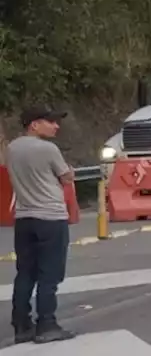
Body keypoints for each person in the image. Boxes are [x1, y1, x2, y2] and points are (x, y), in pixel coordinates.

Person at [8, 107, 76, 344]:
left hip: (24, 217)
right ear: (34, 125)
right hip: (50, 217)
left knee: (25, 272)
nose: (56, 126)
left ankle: (21, 324)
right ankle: (47, 324)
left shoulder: (11, 148)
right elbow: (66, 177)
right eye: (51, 122)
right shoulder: (48, 149)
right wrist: (68, 172)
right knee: (50, 274)